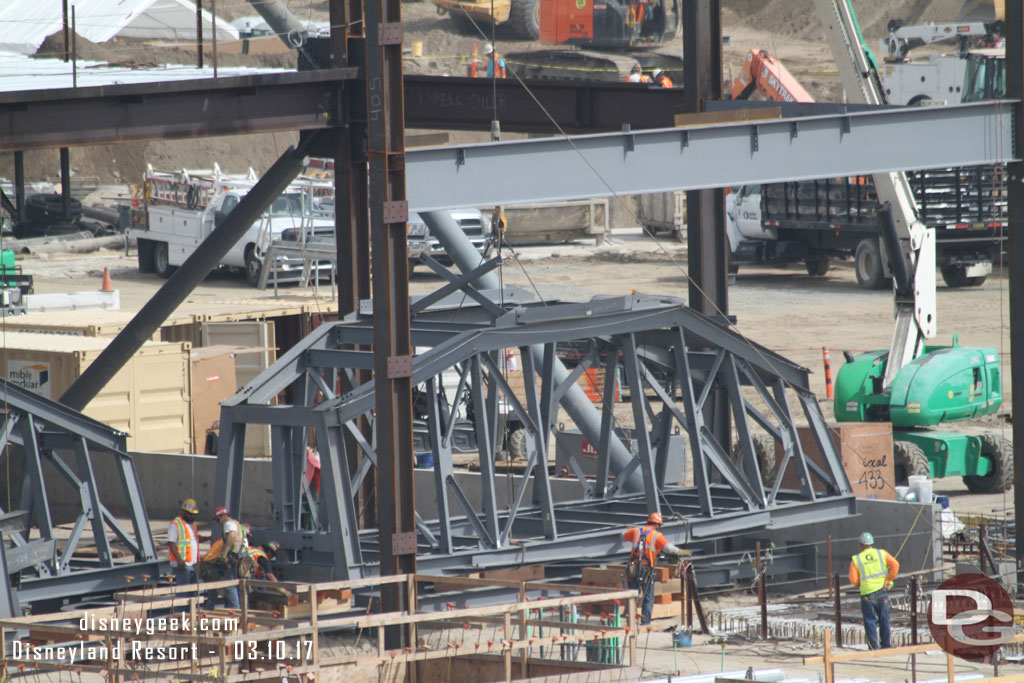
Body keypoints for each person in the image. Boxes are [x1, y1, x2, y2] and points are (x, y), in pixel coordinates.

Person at [622, 512, 686, 624]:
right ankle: (645, 622)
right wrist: (681, 552)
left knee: (632, 596)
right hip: (646, 570)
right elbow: (668, 548)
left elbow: (622, 536)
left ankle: (630, 621)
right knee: (648, 597)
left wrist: (629, 530)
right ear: (657, 525)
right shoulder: (657, 536)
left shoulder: (636, 531)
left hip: (632, 568)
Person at [849, 531, 899, 649]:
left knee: (870, 621)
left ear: (861, 545)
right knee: (884, 619)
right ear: (872, 543)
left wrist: (861, 584)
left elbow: (853, 579)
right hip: (882, 592)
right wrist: (888, 580)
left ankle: (873, 648)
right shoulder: (881, 553)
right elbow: (895, 565)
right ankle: (886, 645)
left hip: (867, 595)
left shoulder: (856, 559)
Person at [203, 506, 243, 610]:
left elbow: (231, 536)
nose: (218, 522)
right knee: (235, 584)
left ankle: (236, 609)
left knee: (229, 586)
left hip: (231, 557)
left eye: (218, 520)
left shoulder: (228, 524)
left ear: (223, 516)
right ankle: (233, 608)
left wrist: (224, 553)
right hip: (238, 557)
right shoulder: (236, 523)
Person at [167, 498, 200, 586]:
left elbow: (193, 540)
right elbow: (171, 543)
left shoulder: (192, 525)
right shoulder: (175, 524)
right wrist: (179, 560)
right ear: (183, 512)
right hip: (183, 565)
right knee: (183, 592)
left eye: (194, 514)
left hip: (192, 563)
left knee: (191, 593)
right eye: (190, 514)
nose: (192, 516)